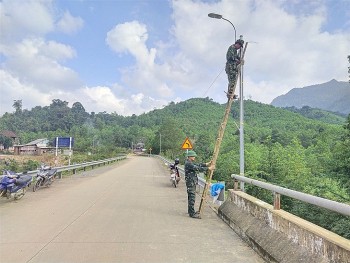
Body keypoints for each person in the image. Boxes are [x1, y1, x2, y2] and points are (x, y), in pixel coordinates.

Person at [184, 150, 214, 219]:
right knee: (192, 198)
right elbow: (197, 168)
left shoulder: (190, 162)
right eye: (193, 156)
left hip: (192, 182)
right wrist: (208, 168)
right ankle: (192, 213)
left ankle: (191, 211)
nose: (194, 157)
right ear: (190, 157)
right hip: (190, 183)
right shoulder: (188, 163)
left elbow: (198, 164)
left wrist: (207, 164)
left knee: (191, 197)